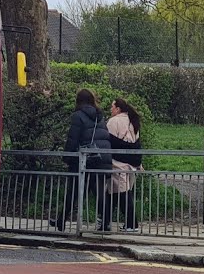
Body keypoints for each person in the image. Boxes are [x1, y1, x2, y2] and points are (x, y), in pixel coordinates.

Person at [51, 89, 112, 231]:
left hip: (85, 159)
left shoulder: (78, 116)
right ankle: (106, 222)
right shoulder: (100, 116)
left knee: (73, 192)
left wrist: (67, 157)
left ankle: (61, 221)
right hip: (102, 158)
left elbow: (73, 139)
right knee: (100, 193)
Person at [106, 97, 143, 233]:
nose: (111, 109)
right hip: (131, 164)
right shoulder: (133, 121)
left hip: (118, 164)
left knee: (121, 193)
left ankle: (132, 224)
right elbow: (137, 144)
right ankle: (105, 221)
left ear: (118, 109)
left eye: (112, 107)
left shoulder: (113, 122)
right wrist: (139, 162)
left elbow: (108, 143)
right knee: (117, 192)